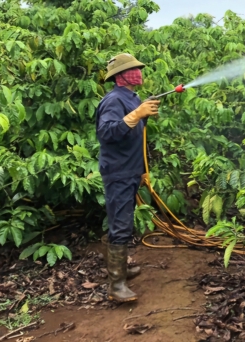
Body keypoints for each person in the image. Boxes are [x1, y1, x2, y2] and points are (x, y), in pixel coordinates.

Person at [95, 53, 160, 302]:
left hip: (130, 170)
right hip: (119, 172)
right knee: (120, 225)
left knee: (123, 221)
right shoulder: (113, 100)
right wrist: (136, 115)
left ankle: (120, 269)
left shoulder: (131, 97)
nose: (139, 72)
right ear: (121, 75)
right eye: (133, 69)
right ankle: (116, 285)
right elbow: (107, 132)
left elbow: (137, 140)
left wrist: (142, 170)